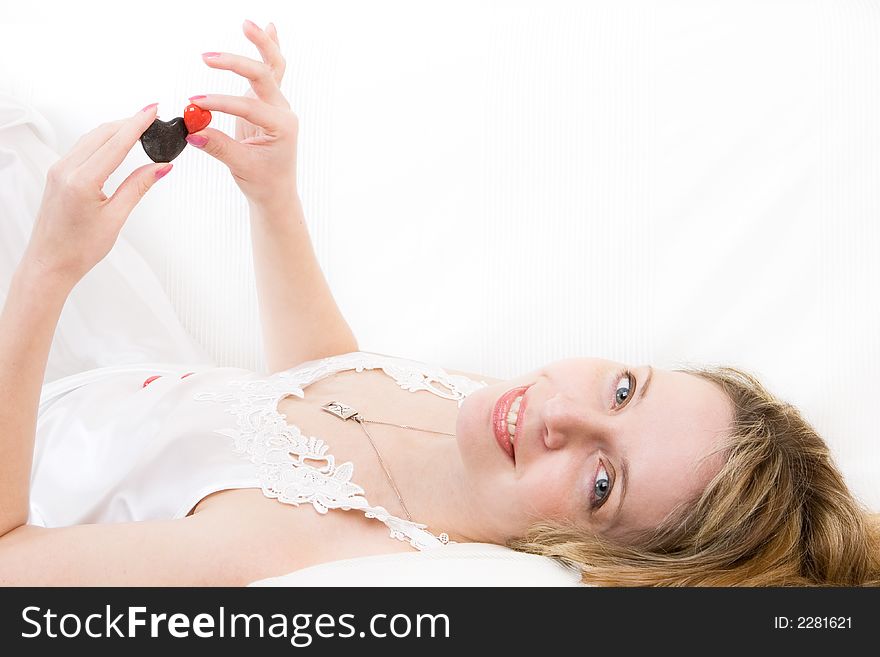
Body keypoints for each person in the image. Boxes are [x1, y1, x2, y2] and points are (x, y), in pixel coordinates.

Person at [1, 19, 878, 587]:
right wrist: (275, 196)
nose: (559, 412)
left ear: (592, 557)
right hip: (115, 370)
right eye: (621, 388)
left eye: (600, 480)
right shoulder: (487, 419)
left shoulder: (298, 549)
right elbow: (327, 379)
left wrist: (47, 273)